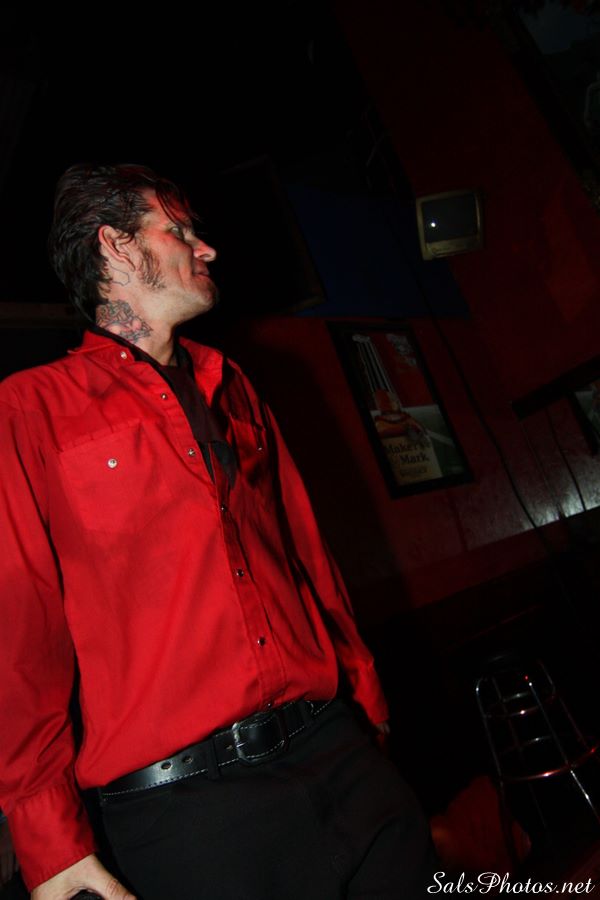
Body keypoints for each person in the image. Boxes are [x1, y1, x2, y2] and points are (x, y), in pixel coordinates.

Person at [0, 164, 435, 899]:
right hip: (191, 819)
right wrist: (51, 843)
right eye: (178, 231)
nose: (206, 248)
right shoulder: (29, 409)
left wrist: (368, 710)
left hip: (340, 754)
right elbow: (18, 635)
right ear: (115, 246)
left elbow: (308, 563)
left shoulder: (234, 386)